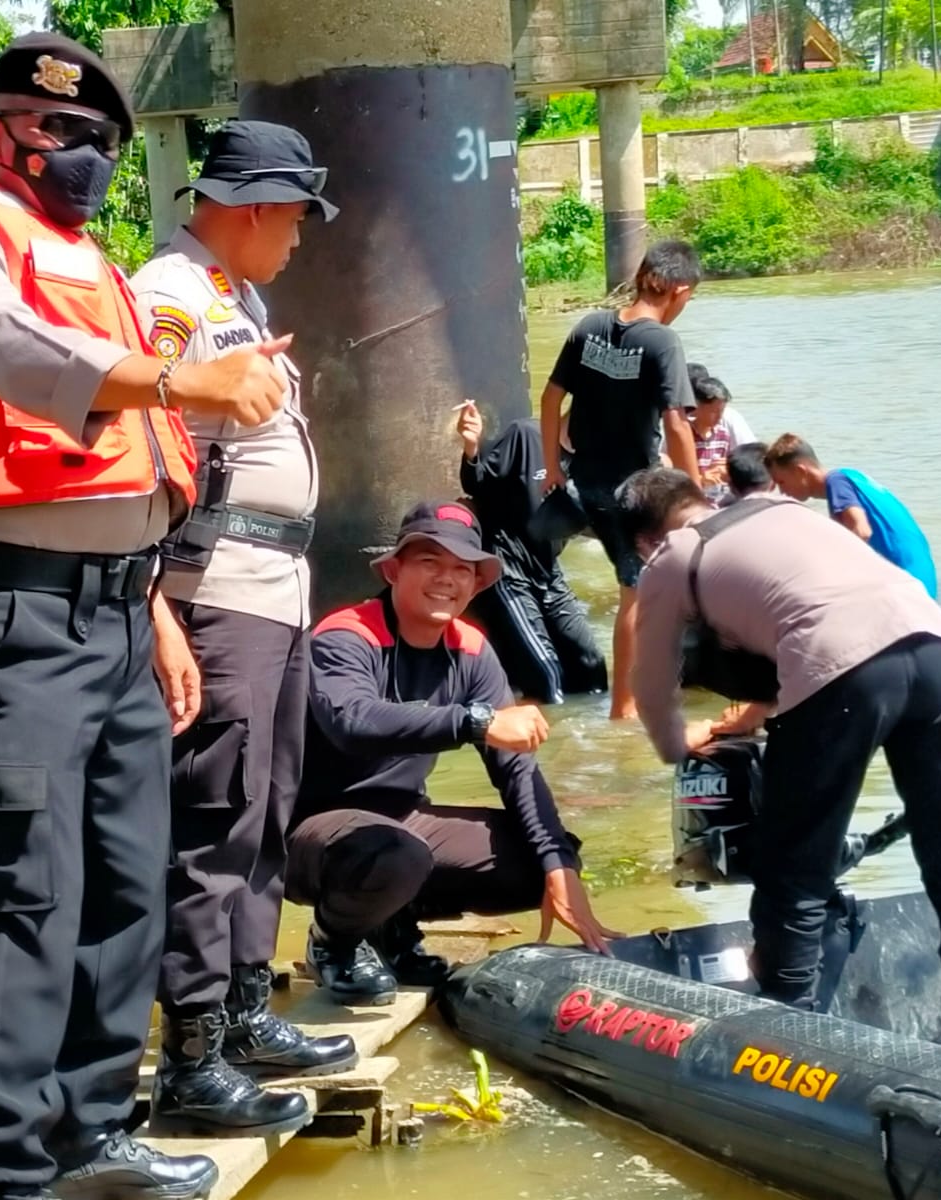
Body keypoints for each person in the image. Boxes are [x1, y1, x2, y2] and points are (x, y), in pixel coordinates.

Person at [0, 32, 288, 1200]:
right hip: (10, 615)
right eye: (57, 134)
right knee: (31, 886)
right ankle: (5, 1168)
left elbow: (125, 469)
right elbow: (8, 348)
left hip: (111, 612)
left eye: (98, 138)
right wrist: (178, 379)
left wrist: (149, 604)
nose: (80, 156)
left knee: (127, 875)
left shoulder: (82, 253)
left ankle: (92, 1133)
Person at [128, 120, 353, 1138]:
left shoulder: (233, 294)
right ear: (259, 206)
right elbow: (133, 443)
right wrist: (155, 603)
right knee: (213, 822)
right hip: (213, 590)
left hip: (271, 588)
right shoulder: (167, 298)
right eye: (297, 220)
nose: (300, 240)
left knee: (264, 813)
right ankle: (191, 1053)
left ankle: (247, 1009)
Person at [620, 469, 941, 1056]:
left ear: (644, 540)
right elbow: (816, 602)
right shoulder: (783, 510)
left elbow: (649, 686)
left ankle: (788, 1034)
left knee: (796, 863)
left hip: (844, 674)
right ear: (701, 498)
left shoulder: (673, 556)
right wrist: (760, 710)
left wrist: (679, 746)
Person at [286, 501, 618, 1006]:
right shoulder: (346, 635)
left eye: (462, 569)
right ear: (395, 569)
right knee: (395, 854)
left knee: (541, 861)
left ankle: (391, 929)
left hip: (401, 821)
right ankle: (334, 942)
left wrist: (560, 868)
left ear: (478, 584)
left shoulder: (471, 649)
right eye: (429, 563)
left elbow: (516, 769)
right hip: (310, 833)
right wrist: (475, 721)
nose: (447, 579)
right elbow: (352, 722)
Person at [540, 240, 702, 721]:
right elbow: (676, 424)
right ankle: (623, 710)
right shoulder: (663, 342)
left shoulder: (590, 327)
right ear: (680, 290)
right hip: (632, 492)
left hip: (582, 485)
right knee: (638, 592)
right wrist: (694, 498)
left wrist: (552, 467)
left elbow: (550, 401)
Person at [455, 402, 607, 704]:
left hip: (549, 572)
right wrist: (471, 447)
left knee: (592, 670)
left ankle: (586, 747)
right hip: (508, 570)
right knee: (547, 678)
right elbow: (478, 483)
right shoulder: (526, 435)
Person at [764, 434, 938, 597]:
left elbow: (862, 531)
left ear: (800, 471)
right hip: (920, 576)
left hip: (906, 581)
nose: (782, 491)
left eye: (781, 482)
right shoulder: (851, 477)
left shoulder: (837, 482)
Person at [685, 375, 737, 505]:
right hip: (693, 499)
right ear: (696, 407)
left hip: (719, 499)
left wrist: (727, 471)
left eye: (722, 411)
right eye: (714, 412)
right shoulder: (685, 435)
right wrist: (702, 479)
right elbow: (674, 475)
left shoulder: (723, 434)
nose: (719, 417)